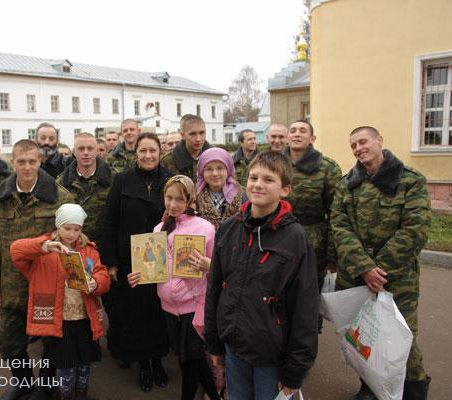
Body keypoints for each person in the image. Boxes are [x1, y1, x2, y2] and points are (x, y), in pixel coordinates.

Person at [204, 151, 318, 400]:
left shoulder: (295, 238)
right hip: (234, 348)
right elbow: (215, 289)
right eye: (254, 177)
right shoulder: (229, 229)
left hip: (271, 356)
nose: (258, 184)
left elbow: (305, 308)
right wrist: (213, 342)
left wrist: (295, 370)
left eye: (268, 179)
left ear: (285, 189)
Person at [331, 126, 431, 400]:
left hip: (397, 278)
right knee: (365, 336)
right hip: (358, 276)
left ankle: (414, 389)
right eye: (353, 145)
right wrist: (364, 268)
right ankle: (371, 388)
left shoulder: (410, 181)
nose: (358, 148)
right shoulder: (347, 184)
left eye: (363, 141)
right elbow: (339, 227)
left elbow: (415, 230)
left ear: (379, 141)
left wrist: (378, 271)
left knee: (402, 338)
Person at [0, 139, 73, 400]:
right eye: (21, 161)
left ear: (40, 161)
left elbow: (72, 240)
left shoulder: (60, 197)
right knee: (9, 341)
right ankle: (22, 382)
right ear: (13, 162)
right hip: (11, 284)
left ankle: (45, 385)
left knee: (48, 340)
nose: (27, 167)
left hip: (45, 283)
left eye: (32, 161)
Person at [130, 175, 219, 400]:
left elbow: (219, 268)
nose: (173, 204)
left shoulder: (204, 228)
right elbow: (154, 266)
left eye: (179, 199)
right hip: (168, 306)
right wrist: (139, 275)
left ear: (190, 200)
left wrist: (209, 265)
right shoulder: (160, 227)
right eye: (169, 198)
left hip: (194, 305)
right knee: (192, 360)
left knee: (190, 361)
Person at [10, 204, 111, 400]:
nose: (72, 234)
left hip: (84, 319)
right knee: (66, 368)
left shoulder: (88, 250)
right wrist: (44, 246)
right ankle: (66, 396)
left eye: (77, 229)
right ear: (58, 227)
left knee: (84, 365)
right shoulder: (44, 252)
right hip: (60, 323)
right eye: (67, 228)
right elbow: (15, 251)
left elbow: (103, 275)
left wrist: (95, 283)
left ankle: (81, 394)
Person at [101, 132, 170, 392]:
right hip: (129, 260)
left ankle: (158, 361)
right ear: (136, 153)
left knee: (159, 313)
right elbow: (109, 222)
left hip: (162, 259)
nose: (148, 155)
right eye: (143, 151)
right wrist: (110, 262)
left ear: (160, 151)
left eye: (153, 150)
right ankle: (143, 363)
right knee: (136, 314)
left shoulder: (169, 180)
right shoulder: (122, 180)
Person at [283, 120, 342, 303]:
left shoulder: (327, 167)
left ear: (312, 138)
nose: (297, 134)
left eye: (303, 131)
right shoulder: (274, 162)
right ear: (287, 137)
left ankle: (309, 329)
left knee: (308, 294)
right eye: (293, 131)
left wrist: (333, 255)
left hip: (313, 241)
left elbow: (337, 212)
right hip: (278, 236)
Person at [58, 133, 113, 249]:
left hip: (104, 248)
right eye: (81, 149)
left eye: (90, 148)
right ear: (74, 152)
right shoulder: (61, 183)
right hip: (71, 249)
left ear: (97, 151)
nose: (86, 152)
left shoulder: (114, 181)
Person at [196, 147, 244, 230]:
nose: (214, 173)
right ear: (201, 172)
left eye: (220, 168)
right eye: (209, 169)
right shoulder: (194, 196)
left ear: (228, 169)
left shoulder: (243, 195)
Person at [160, 114, 212, 181]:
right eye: (192, 134)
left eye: (202, 133)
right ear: (183, 135)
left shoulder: (217, 157)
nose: (198, 139)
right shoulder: (168, 161)